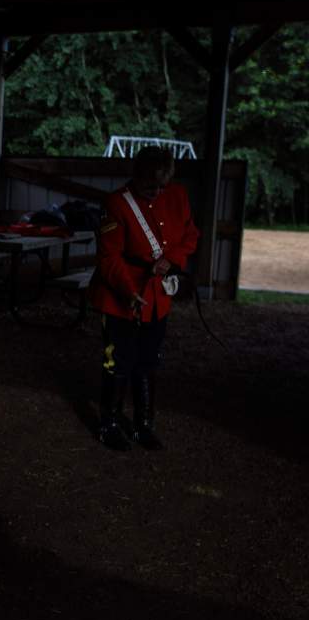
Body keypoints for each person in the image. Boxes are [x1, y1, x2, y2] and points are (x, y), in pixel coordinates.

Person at [87, 146, 199, 451]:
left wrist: (173, 259)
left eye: (163, 185)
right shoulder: (116, 204)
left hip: (157, 294)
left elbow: (190, 236)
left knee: (149, 360)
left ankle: (143, 426)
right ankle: (109, 424)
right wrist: (128, 291)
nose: (157, 192)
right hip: (120, 294)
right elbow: (109, 257)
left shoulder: (177, 197)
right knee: (117, 360)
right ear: (136, 176)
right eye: (151, 186)